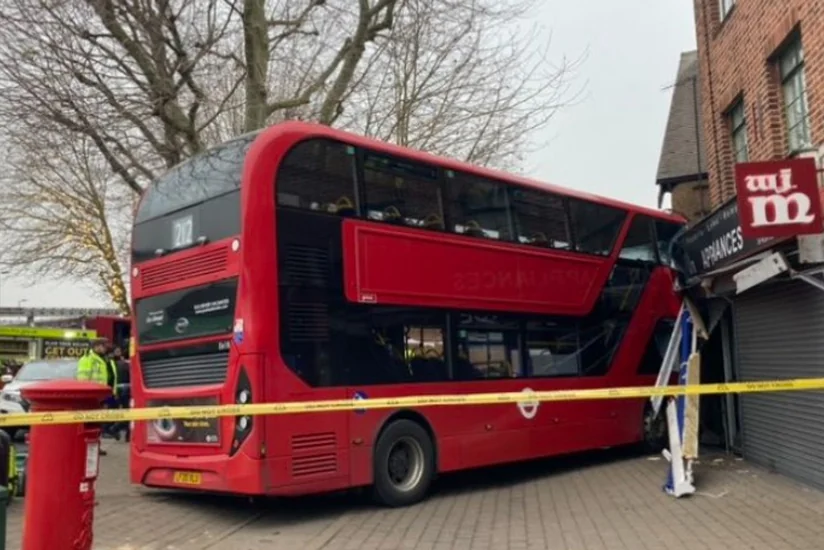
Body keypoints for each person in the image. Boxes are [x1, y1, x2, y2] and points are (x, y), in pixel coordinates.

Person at [77, 338, 114, 454]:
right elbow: (83, 379)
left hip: (104, 395)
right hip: (92, 396)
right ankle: (86, 445)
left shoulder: (106, 359)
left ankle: (96, 445)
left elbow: (111, 377)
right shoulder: (88, 359)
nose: (105, 348)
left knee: (99, 422)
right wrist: (86, 395)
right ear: (96, 346)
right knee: (90, 423)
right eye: (103, 346)